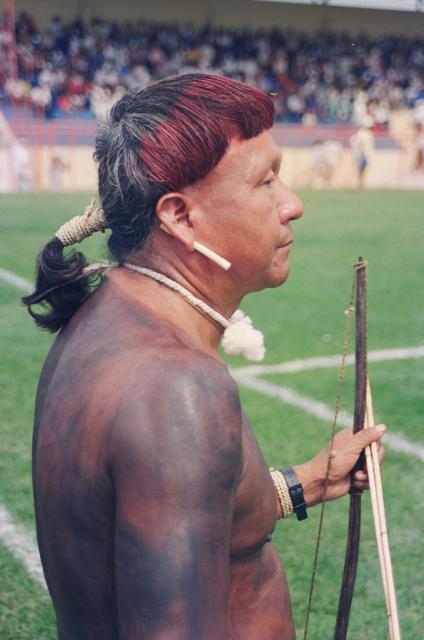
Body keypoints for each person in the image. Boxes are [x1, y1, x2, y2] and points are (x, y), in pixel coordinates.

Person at [23, 74, 385, 640]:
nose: (293, 205)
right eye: (266, 183)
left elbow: (169, 513)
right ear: (181, 217)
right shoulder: (173, 389)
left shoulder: (110, 317)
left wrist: (308, 483)